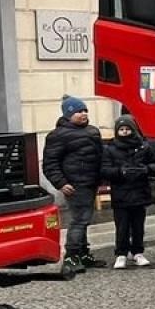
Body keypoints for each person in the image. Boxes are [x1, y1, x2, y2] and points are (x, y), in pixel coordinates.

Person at [44, 95, 104, 274]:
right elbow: (50, 163)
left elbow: (100, 156)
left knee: (85, 220)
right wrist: (61, 183)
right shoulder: (58, 135)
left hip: (91, 182)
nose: (83, 114)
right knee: (79, 221)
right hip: (74, 185)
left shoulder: (92, 131)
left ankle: (83, 254)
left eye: (85, 110)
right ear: (69, 114)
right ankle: (70, 257)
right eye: (79, 111)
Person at [102, 114, 155, 268]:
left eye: (127, 129)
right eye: (122, 129)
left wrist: (145, 169)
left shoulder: (144, 147)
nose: (125, 132)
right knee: (122, 226)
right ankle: (121, 253)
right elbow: (105, 170)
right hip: (121, 194)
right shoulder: (110, 149)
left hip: (139, 192)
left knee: (138, 225)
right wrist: (120, 172)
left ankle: (138, 252)